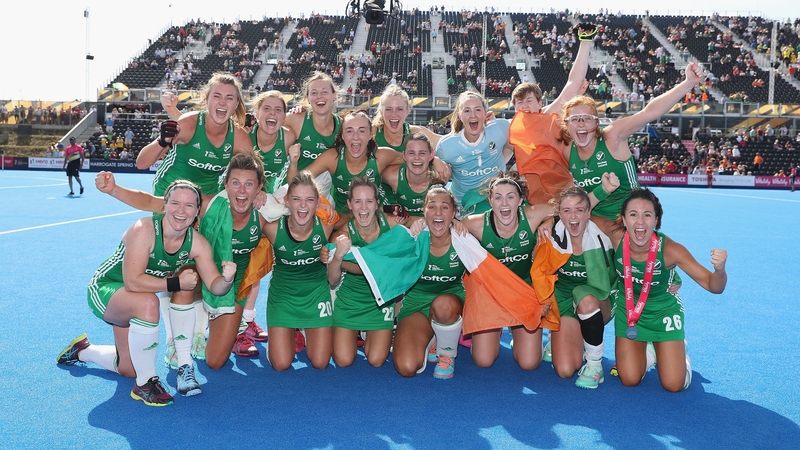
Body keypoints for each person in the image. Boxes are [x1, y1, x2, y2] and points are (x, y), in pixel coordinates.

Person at [95, 153, 275, 378]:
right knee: (184, 279)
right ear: (225, 184)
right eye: (236, 183)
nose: (241, 191)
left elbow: (295, 221)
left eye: (249, 185)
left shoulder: (265, 214)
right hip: (199, 273)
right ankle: (181, 354)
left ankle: (86, 350)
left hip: (231, 284)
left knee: (216, 361)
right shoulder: (207, 205)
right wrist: (114, 189)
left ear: (259, 188)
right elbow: (153, 202)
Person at [57, 180, 236, 405]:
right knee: (149, 304)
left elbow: (215, 286)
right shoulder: (145, 229)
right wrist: (175, 283)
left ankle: (83, 351)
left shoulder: (197, 243)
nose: (181, 211)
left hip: (134, 297)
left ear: (197, 211)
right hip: (106, 288)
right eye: (175, 203)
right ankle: (146, 383)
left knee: (129, 367)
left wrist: (227, 279)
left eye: (189, 206)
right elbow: (132, 281)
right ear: (164, 205)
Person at [561, 62, 706, 236]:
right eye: (575, 119)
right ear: (567, 124)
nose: (581, 123)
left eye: (587, 118)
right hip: (595, 224)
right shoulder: (567, 150)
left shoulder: (612, 137)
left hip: (630, 223)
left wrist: (688, 83)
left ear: (597, 123)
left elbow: (649, 112)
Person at [609, 189, 727, 392]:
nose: (640, 221)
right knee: (629, 379)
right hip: (628, 312)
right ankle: (652, 352)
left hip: (664, 310)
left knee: (673, 385)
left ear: (656, 220)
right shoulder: (615, 237)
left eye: (647, 215)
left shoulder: (671, 250)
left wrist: (720, 270)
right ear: (624, 219)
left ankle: (682, 356)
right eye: (633, 214)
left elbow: (713, 286)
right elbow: (582, 213)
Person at [459, 171, 555, 369]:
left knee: (529, 363)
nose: (504, 204)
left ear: (520, 200)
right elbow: (448, 233)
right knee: (483, 361)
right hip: (491, 294)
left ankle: (513, 325)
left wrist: (550, 221)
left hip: (523, 292)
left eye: (510, 197)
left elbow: (565, 207)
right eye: (498, 197)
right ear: (490, 201)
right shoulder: (474, 224)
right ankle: (497, 329)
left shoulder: (532, 216)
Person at [540, 184, 620, 389]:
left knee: (584, 298)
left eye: (579, 210)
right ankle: (574, 337)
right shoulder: (550, 234)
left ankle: (595, 365)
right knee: (565, 370)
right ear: (559, 214)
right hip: (566, 303)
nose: (573, 216)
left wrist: (670, 276)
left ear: (589, 212)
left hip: (598, 300)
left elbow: (639, 248)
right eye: (567, 210)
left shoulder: (605, 233)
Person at [508, 23, 595, 205]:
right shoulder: (508, 126)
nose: (524, 106)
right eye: (519, 102)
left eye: (529, 101)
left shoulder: (548, 117)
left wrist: (585, 41)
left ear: (540, 103)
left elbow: (572, 82)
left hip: (562, 192)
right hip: (531, 198)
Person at [324, 178, 406, 367]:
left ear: (377, 204)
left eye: (369, 201)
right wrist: (337, 258)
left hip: (381, 301)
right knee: (343, 361)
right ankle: (350, 331)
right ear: (350, 204)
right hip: (350, 300)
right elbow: (332, 280)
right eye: (358, 201)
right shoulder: (343, 235)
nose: (363, 207)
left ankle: (369, 332)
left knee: (376, 360)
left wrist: (418, 225)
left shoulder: (392, 226)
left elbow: (416, 227)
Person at [137, 72, 252, 205]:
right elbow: (142, 163)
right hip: (171, 190)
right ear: (207, 99)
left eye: (229, 98)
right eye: (217, 96)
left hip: (207, 197)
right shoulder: (188, 124)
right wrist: (162, 141)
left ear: (237, 103)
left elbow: (252, 173)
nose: (222, 102)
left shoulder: (240, 137)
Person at [262, 171, 336, 371]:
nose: (303, 205)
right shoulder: (272, 229)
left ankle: (302, 332)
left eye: (310, 200)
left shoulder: (326, 226)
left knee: (320, 362)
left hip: (316, 293)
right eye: (296, 199)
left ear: (317, 203)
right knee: (281, 364)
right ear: (287, 201)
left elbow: (350, 222)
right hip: (283, 295)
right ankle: (284, 335)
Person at [394, 186, 466, 379]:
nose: (438, 212)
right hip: (416, 305)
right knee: (406, 367)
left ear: (453, 212)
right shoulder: (412, 237)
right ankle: (435, 336)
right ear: (424, 211)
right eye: (432, 206)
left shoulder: (464, 238)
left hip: (449, 305)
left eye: (444, 207)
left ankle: (446, 354)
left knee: (442, 304)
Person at [288, 110, 404, 227]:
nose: (355, 137)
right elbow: (295, 183)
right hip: (342, 218)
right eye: (349, 131)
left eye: (362, 131)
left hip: (375, 214)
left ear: (370, 135)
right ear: (342, 136)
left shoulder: (382, 156)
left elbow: (413, 161)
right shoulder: (333, 157)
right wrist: (293, 163)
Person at [435, 90, 514, 211]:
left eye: (478, 109)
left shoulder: (501, 128)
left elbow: (522, 145)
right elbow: (439, 177)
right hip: (462, 205)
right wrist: (434, 160)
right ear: (460, 116)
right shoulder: (446, 145)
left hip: (496, 202)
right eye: (467, 110)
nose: (473, 115)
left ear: (485, 113)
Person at [283, 71, 342, 205]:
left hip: (323, 188)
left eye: (324, 92)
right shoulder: (296, 119)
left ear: (334, 96)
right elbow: (268, 127)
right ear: (308, 98)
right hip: (293, 181)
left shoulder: (343, 127)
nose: (319, 96)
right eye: (314, 93)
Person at [381, 133, 439, 217]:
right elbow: (373, 179)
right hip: (402, 224)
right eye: (411, 153)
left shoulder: (440, 175)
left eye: (422, 153)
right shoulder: (391, 176)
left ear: (431, 156)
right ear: (404, 156)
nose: (417, 157)